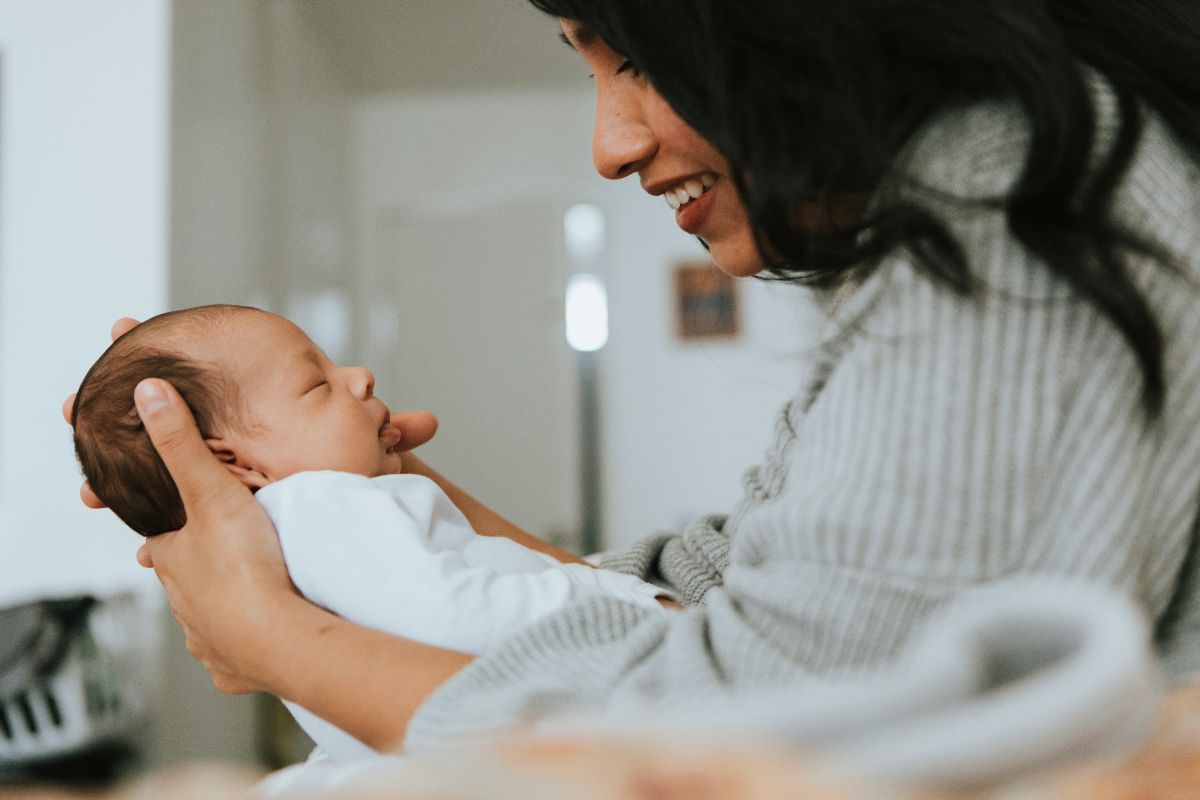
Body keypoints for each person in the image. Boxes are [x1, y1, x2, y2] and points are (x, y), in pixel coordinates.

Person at [63, 0, 1200, 758]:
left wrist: (271, 636)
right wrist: (356, 473)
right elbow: (712, 594)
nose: (609, 145)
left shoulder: (1017, 198)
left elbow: (764, 716)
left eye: (636, 58)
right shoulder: (944, 230)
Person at [70, 304, 670, 761]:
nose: (360, 377)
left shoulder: (292, 528)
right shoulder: (318, 505)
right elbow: (453, 621)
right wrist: (614, 598)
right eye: (317, 384)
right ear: (235, 463)